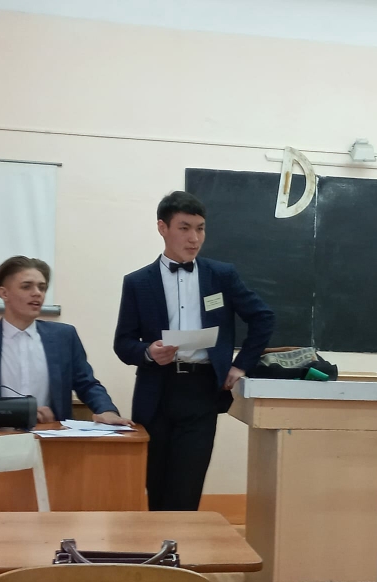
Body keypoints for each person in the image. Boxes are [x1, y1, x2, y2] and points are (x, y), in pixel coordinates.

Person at [114, 191, 274, 511]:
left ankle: (181, 542)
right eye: (184, 228)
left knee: (187, 486)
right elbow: (124, 343)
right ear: (162, 228)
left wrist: (240, 365)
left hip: (201, 390)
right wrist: (148, 352)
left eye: (200, 228)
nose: (194, 238)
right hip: (156, 391)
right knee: (155, 485)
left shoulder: (221, 275)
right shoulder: (138, 282)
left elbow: (263, 318)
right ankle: (157, 544)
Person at [0, 256, 133, 426]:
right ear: (4, 293)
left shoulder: (63, 336)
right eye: (26, 286)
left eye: (42, 287)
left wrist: (107, 411)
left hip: (50, 438)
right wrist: (15, 413)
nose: (37, 293)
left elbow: (87, 384)